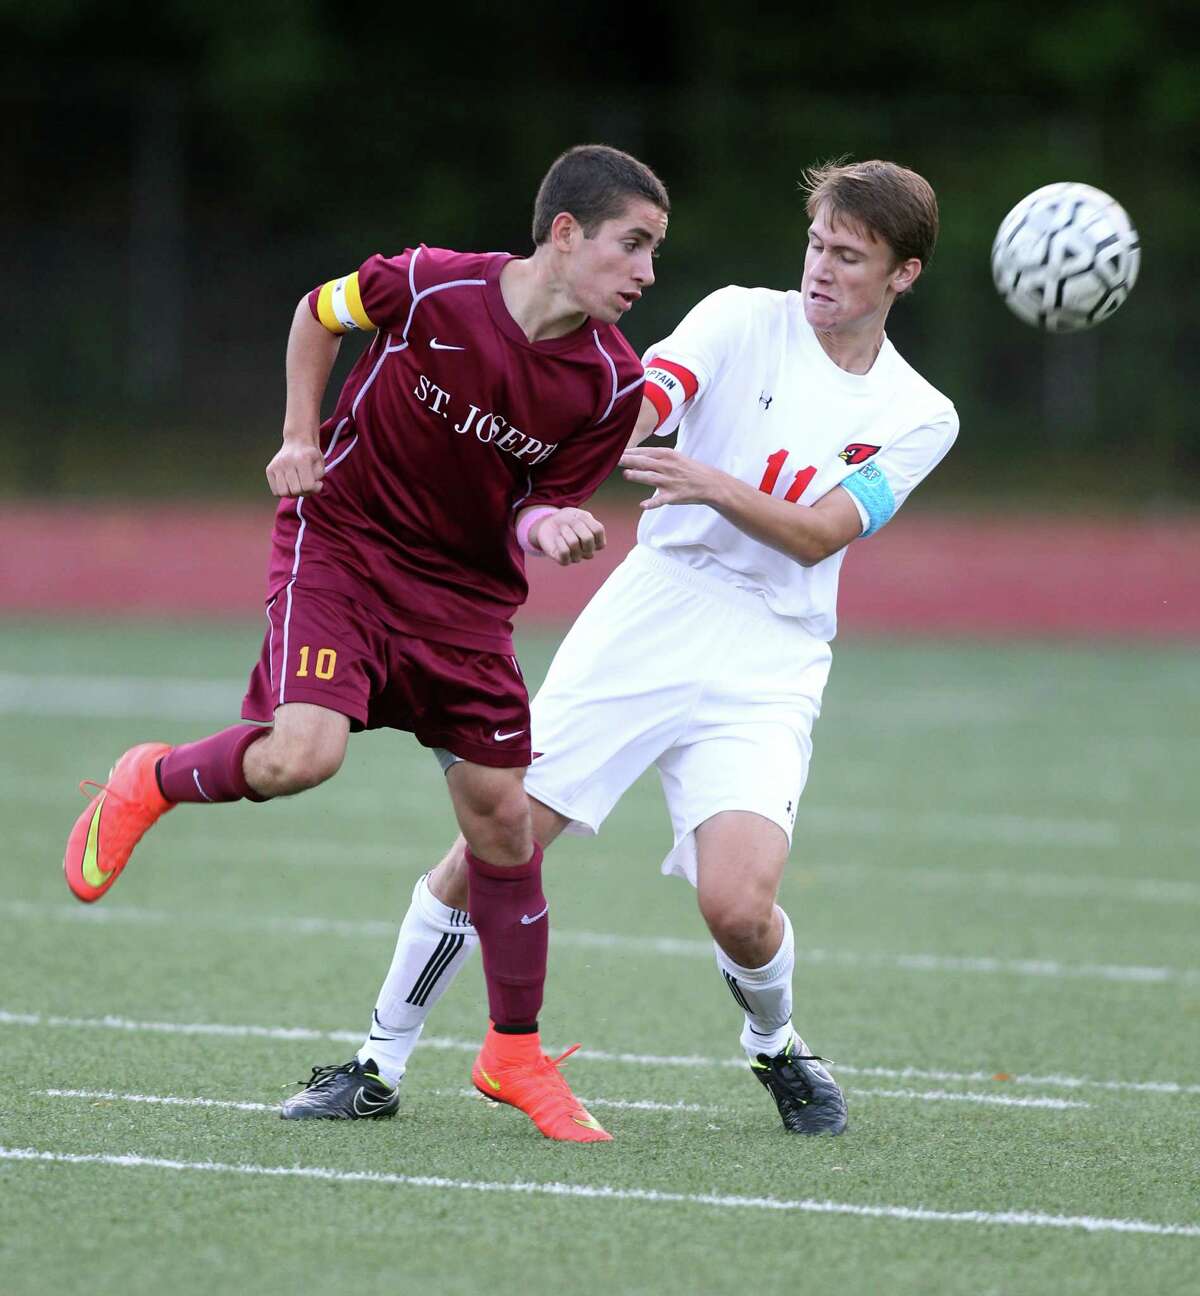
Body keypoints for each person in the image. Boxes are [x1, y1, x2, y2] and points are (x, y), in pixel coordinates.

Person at [284, 157, 958, 1136]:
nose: (821, 269)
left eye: (849, 257)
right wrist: (559, 461)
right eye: (816, 244)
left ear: (903, 275)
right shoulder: (739, 317)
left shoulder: (918, 414)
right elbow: (639, 401)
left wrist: (712, 480)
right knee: (497, 840)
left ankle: (775, 1045)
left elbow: (817, 533)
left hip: (773, 655)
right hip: (654, 610)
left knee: (739, 906)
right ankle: (374, 1064)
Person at [62, 143, 671, 1145]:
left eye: (653, 251)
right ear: (565, 234)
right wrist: (300, 433)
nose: (646, 273)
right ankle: (152, 778)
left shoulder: (610, 385)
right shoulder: (431, 286)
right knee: (303, 755)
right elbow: (318, 313)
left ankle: (513, 1052)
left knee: (504, 824)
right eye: (632, 245)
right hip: (341, 544)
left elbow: (536, 506)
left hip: (466, 600)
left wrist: (548, 526)